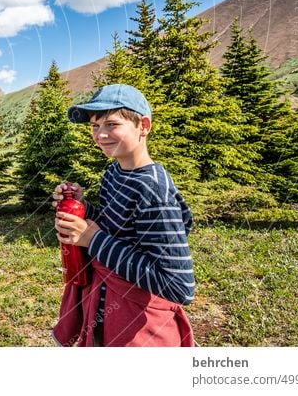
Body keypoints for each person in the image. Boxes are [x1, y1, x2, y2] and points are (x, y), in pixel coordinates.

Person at [51, 83, 195, 347]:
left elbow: (178, 286)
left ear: (144, 126)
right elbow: (117, 225)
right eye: (95, 126)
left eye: (112, 124)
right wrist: (83, 207)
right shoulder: (115, 172)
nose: (100, 135)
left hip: (135, 323)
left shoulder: (154, 190)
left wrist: (93, 240)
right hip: (104, 311)